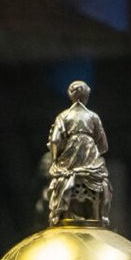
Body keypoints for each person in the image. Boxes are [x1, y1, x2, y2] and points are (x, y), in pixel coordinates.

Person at [46, 81, 112, 226]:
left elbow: (56, 140)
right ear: (86, 96)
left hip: (68, 159)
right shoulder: (93, 116)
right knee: (103, 181)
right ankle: (101, 215)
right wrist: (93, 154)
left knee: (59, 176)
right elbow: (104, 145)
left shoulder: (63, 116)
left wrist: (56, 158)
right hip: (91, 160)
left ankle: (59, 211)